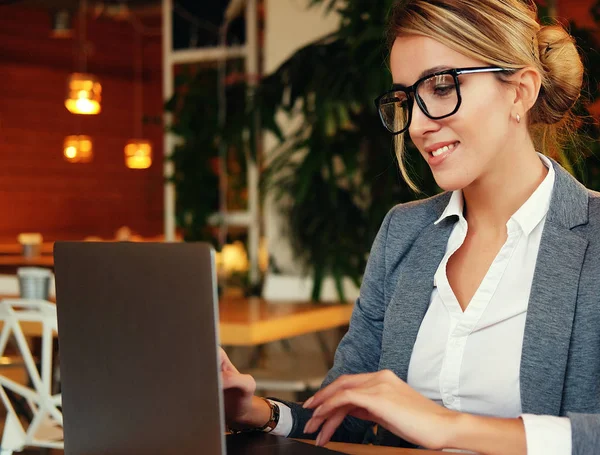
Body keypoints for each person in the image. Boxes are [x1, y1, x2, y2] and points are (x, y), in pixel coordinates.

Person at [221, 1, 600, 453]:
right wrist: (258, 412)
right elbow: (347, 419)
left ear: (520, 91)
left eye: (442, 87)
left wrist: (447, 426)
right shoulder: (403, 233)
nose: (417, 125)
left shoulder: (591, 238)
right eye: (405, 99)